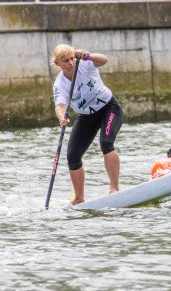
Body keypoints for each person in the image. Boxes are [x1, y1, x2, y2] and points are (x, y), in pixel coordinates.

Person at [51, 44, 123, 205]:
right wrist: (62, 118)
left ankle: (114, 188)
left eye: (71, 59)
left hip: (109, 108)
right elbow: (60, 106)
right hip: (86, 116)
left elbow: (104, 60)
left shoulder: (84, 63)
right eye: (65, 61)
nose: (71, 63)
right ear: (57, 64)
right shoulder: (59, 84)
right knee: (73, 156)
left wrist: (87, 56)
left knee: (106, 143)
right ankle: (79, 197)